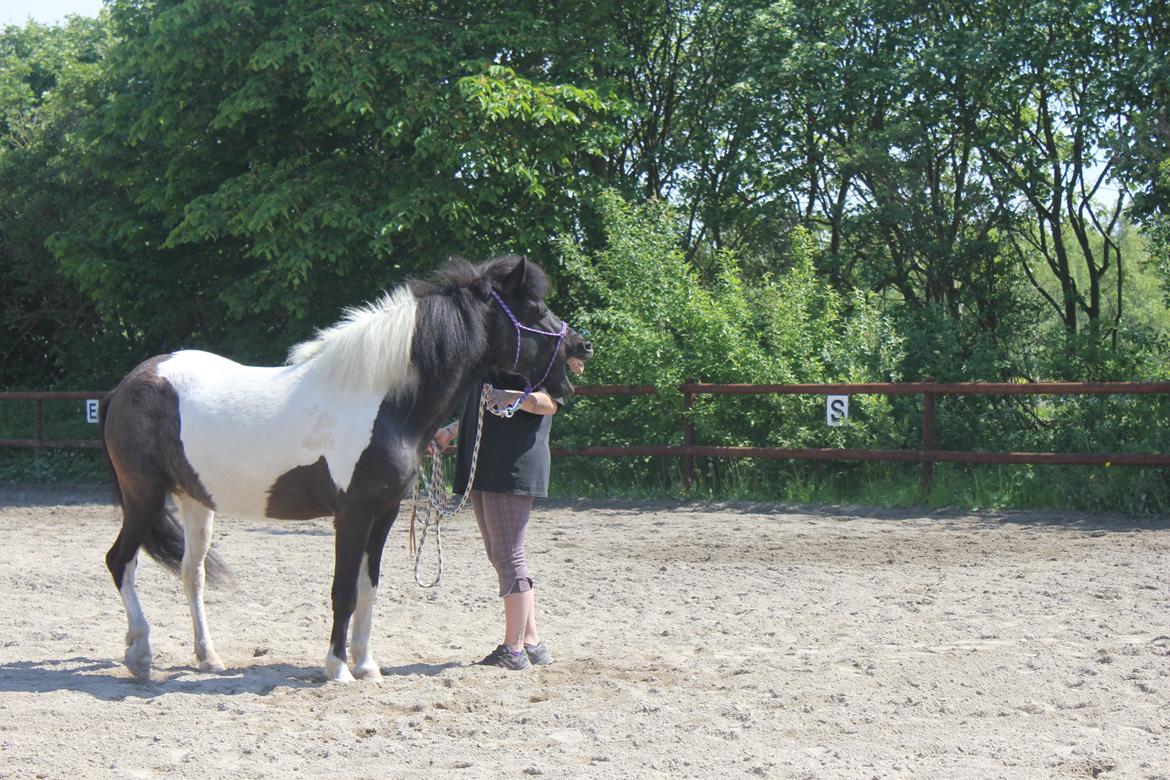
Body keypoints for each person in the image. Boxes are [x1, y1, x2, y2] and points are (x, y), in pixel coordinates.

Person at [431, 356, 585, 670]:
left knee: (509, 555)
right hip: (485, 463)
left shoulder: (533, 359)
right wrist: (451, 430)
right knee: (498, 553)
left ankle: (513, 650)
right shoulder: (488, 356)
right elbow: (483, 410)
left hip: (511, 464)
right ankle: (531, 643)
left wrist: (515, 398)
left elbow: (549, 403)